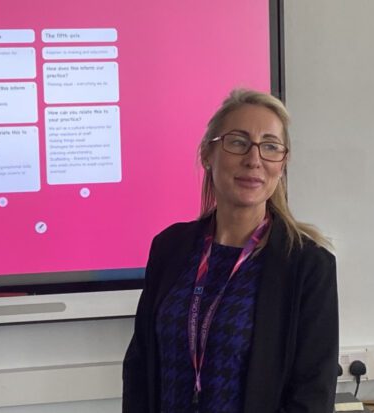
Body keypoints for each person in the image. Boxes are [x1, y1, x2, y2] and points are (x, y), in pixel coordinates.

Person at [123, 89, 338, 413]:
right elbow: (140, 365)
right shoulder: (170, 248)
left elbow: (312, 395)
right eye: (238, 142)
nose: (254, 160)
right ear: (208, 154)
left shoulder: (307, 266)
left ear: (282, 163)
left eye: (270, 146)